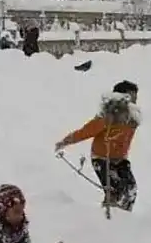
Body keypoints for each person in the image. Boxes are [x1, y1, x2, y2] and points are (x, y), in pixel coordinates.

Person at [55, 80, 141, 211]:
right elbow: (86, 131)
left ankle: (124, 216)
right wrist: (66, 141)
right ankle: (108, 217)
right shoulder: (108, 117)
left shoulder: (133, 118)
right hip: (102, 158)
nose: (133, 101)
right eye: (130, 97)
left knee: (131, 188)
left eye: (135, 98)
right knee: (114, 190)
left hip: (120, 159)